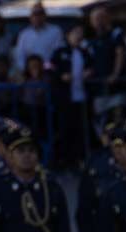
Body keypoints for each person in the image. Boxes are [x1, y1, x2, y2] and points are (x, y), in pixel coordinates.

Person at [50, 24, 91, 171]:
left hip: (81, 97)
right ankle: (66, 161)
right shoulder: (60, 52)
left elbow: (91, 66)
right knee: (65, 129)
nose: (78, 37)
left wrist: (89, 72)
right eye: (75, 33)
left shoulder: (84, 52)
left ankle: (81, 159)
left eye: (81, 33)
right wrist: (61, 76)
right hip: (65, 98)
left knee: (81, 129)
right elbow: (51, 68)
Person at [13, 3, 64, 75]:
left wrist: (47, 67)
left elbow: (59, 53)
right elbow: (20, 56)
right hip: (29, 74)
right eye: (35, 14)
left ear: (45, 15)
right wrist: (26, 70)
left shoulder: (55, 31)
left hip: (49, 73)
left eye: (40, 13)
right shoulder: (24, 34)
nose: (37, 17)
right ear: (30, 17)